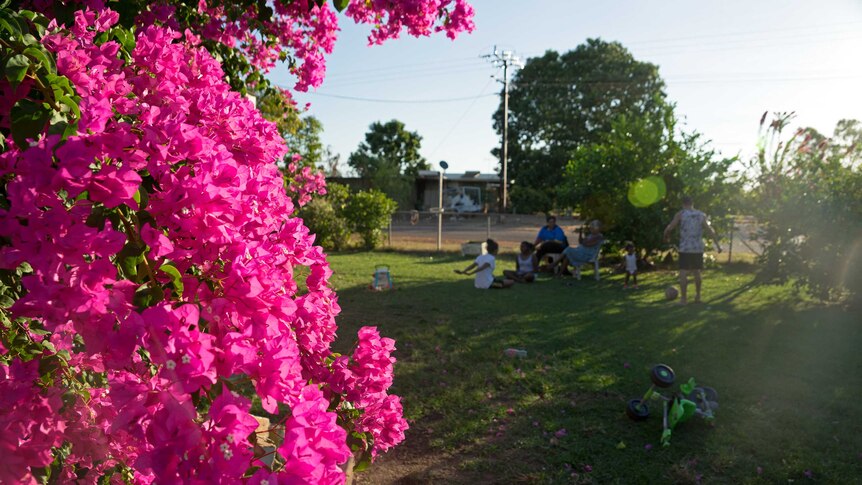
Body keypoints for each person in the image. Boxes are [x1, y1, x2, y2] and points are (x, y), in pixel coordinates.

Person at [663, 196, 722, 304]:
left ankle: (683, 299)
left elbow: (670, 227)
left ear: (683, 204)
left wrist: (665, 235)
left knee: (683, 272)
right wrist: (718, 246)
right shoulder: (701, 215)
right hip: (697, 248)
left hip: (685, 248)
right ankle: (698, 296)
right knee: (697, 272)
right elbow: (710, 230)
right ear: (692, 203)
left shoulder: (681, 214)